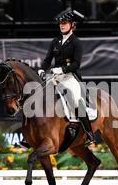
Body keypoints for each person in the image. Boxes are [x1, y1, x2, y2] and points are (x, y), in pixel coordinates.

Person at [38, 9, 94, 146]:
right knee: (39, 96)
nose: (62, 26)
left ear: (72, 25)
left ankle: (89, 133)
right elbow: (47, 59)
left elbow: (77, 64)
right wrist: (41, 69)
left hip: (70, 76)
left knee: (75, 100)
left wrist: (63, 69)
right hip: (55, 76)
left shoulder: (76, 42)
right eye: (60, 24)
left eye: (64, 23)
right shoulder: (55, 41)